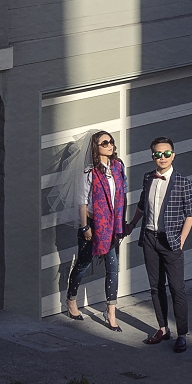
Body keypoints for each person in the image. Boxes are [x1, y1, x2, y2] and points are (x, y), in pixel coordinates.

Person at [125, 136, 192, 350]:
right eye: (158, 154)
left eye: (166, 153)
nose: (162, 157)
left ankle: (182, 333)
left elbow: (191, 213)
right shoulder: (148, 178)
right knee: (156, 287)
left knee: (177, 289)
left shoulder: (183, 182)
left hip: (172, 242)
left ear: (173, 155)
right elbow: (141, 204)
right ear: (153, 157)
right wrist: (131, 224)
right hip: (149, 239)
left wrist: (182, 239)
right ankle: (163, 329)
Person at [63, 130, 127, 330]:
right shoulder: (88, 172)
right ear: (95, 147)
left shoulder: (118, 167)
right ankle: (71, 300)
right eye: (104, 143)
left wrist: (120, 225)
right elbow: (82, 202)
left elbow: (121, 196)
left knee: (113, 268)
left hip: (112, 225)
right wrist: (84, 227)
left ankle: (111, 311)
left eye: (111, 142)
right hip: (92, 224)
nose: (110, 145)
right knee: (82, 263)